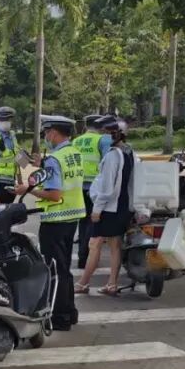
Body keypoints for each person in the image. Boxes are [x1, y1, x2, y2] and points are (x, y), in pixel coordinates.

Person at [16, 116, 86, 331]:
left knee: (55, 269)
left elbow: (55, 195)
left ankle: (60, 316)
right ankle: (70, 312)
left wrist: (28, 190)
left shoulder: (55, 159)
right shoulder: (73, 153)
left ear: (54, 133)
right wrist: (42, 165)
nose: (46, 137)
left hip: (55, 220)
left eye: (47, 133)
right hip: (71, 217)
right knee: (64, 268)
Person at [77, 117, 136, 296]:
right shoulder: (129, 152)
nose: (103, 136)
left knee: (94, 244)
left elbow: (107, 187)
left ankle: (83, 283)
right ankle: (111, 284)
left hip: (109, 208)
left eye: (105, 133)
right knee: (115, 244)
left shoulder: (112, 156)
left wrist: (97, 209)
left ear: (114, 134)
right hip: (122, 205)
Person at [73, 114, 114, 269]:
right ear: (101, 126)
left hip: (78, 186)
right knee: (93, 223)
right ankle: (87, 257)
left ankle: (82, 257)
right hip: (95, 188)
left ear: (86, 125)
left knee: (83, 222)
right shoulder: (102, 140)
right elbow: (108, 163)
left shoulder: (76, 141)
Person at [0, 106, 21, 204]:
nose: (5, 122)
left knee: (8, 210)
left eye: (8, 119)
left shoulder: (13, 136)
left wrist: (20, 180)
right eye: (2, 120)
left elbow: (17, 159)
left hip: (11, 182)